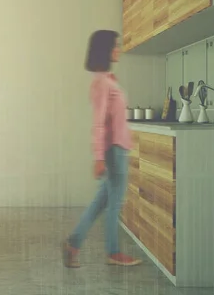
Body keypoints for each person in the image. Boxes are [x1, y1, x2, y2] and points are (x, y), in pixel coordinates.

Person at [62, 30, 142, 268]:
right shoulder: (102, 84)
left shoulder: (106, 81)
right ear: (105, 50)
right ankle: (113, 252)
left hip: (116, 149)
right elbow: (98, 123)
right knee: (114, 204)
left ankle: (72, 244)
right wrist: (98, 158)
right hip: (114, 152)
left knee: (101, 202)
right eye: (115, 46)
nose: (119, 49)